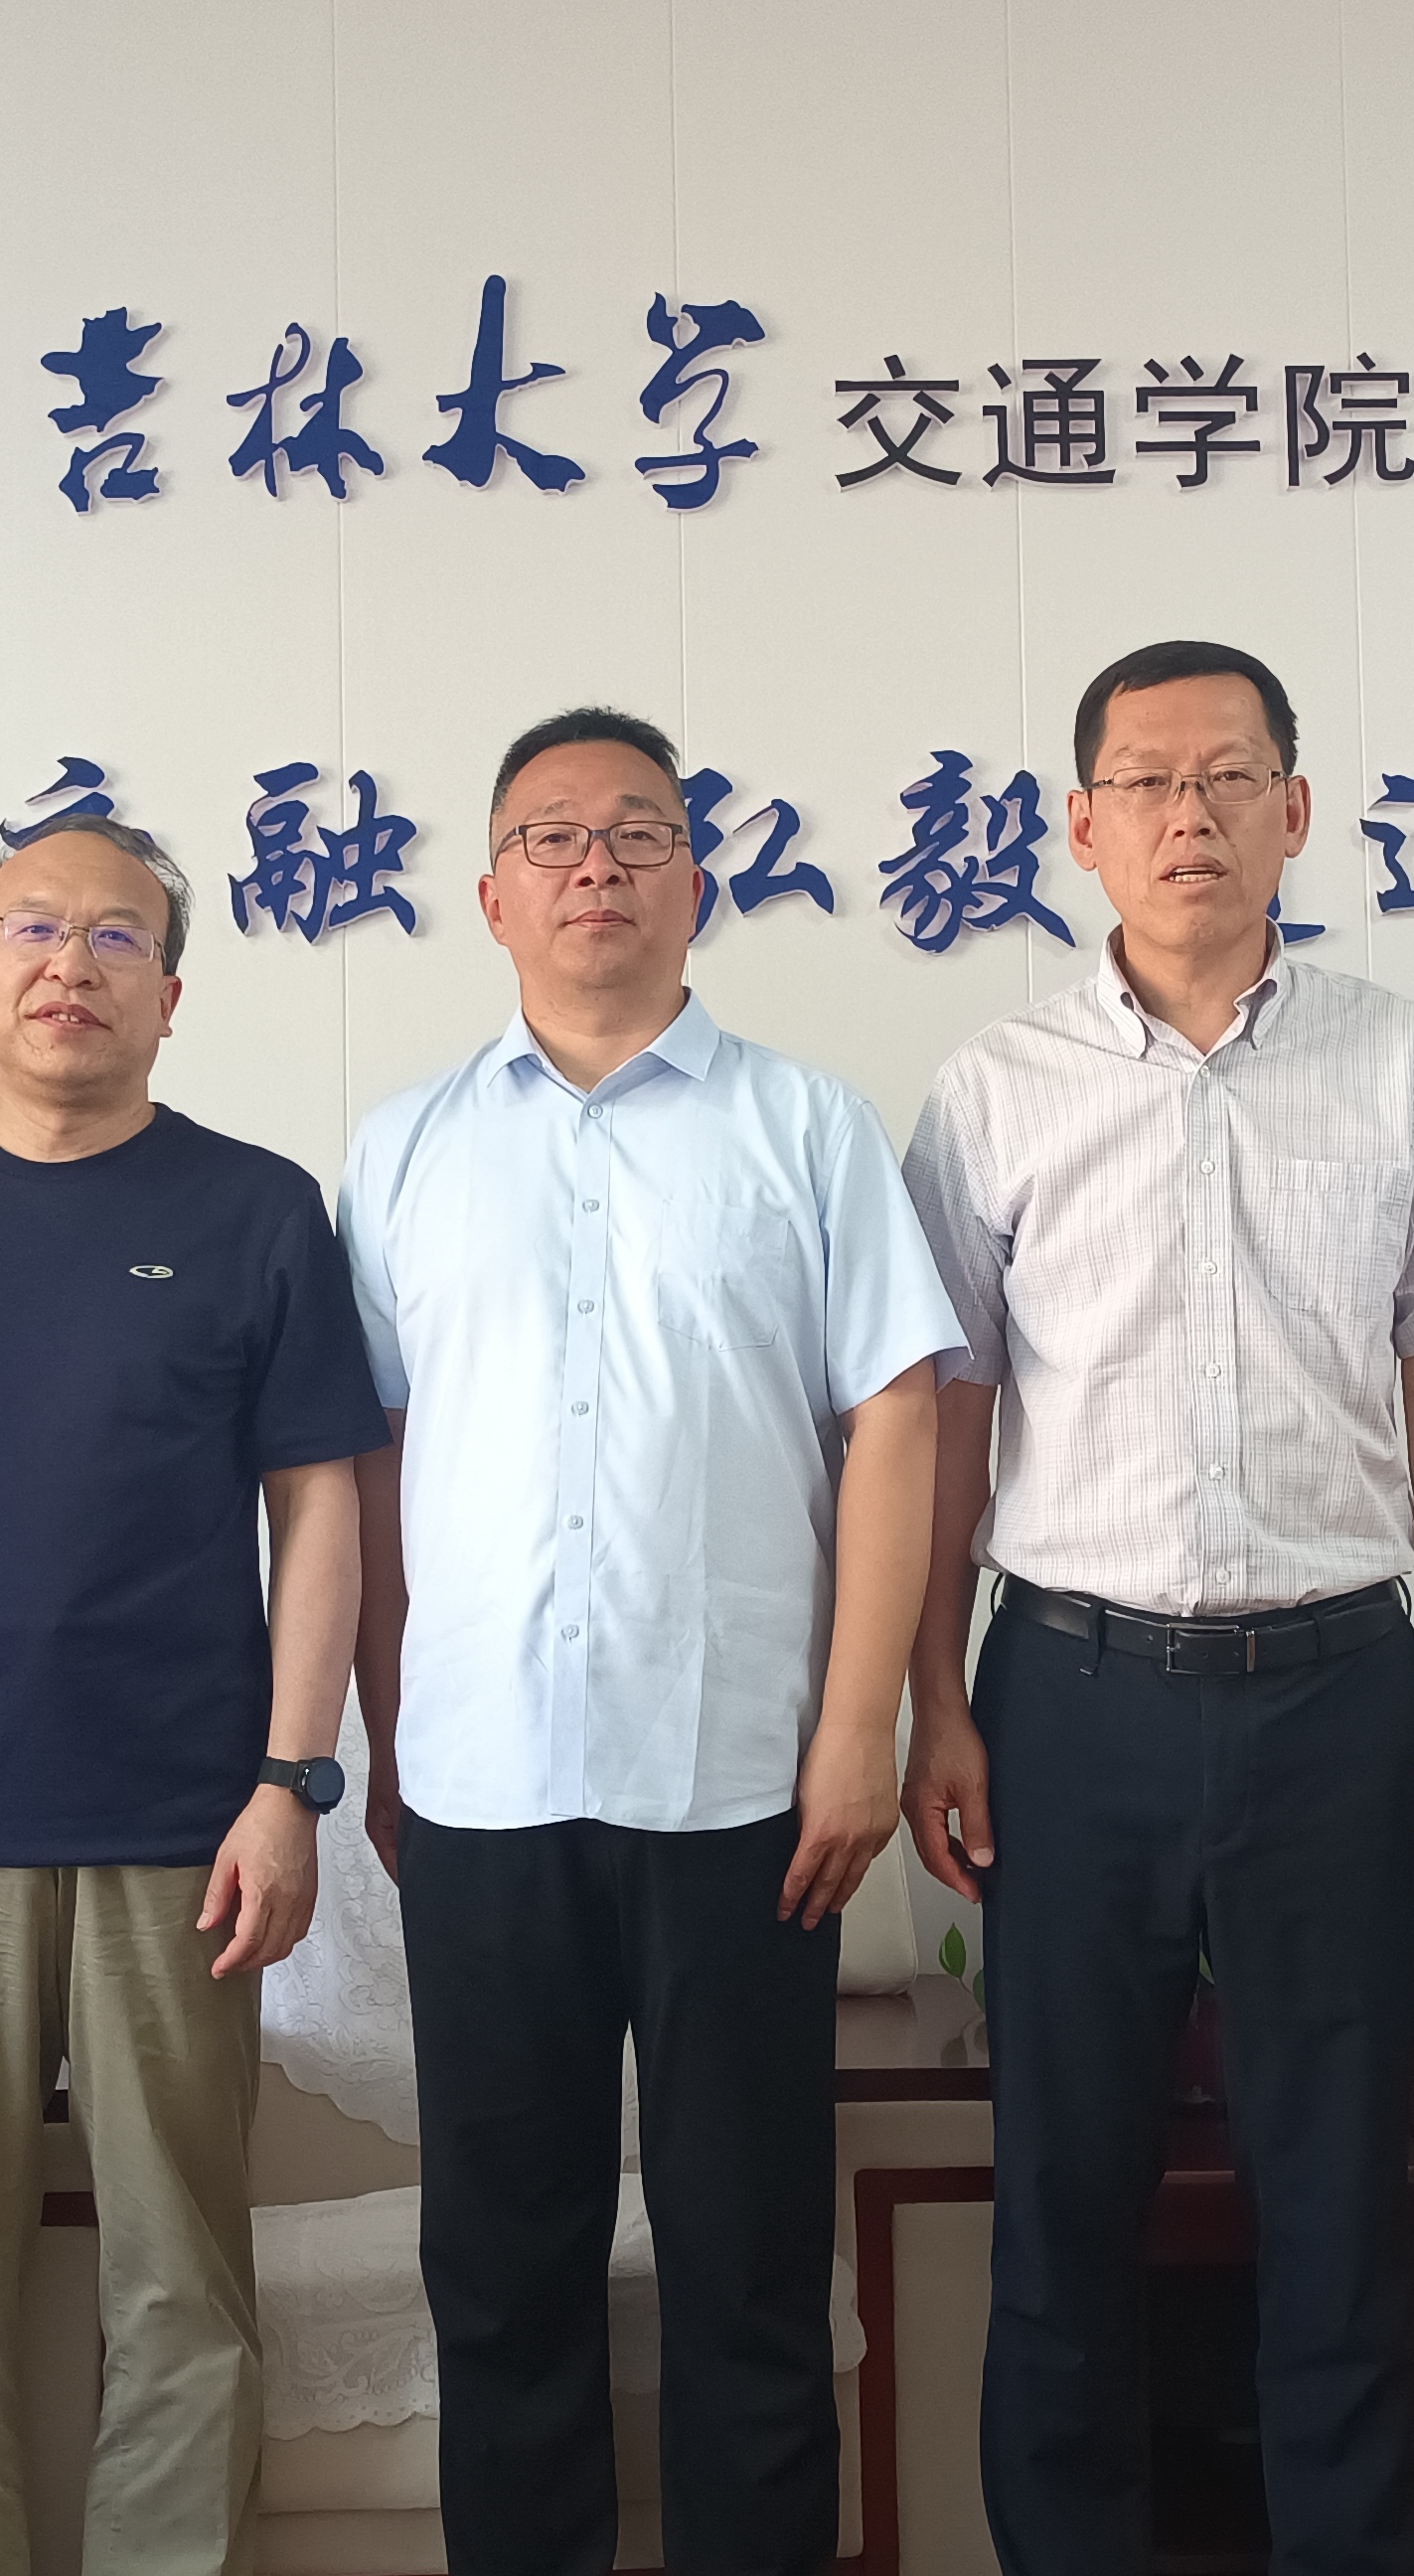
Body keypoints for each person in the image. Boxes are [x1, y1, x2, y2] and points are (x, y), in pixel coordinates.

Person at [897, 640, 1414, 2576]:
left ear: (1295, 809)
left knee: (1337, 2205)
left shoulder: (1401, 1062)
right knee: (1062, 2204)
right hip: (1070, 1696)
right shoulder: (995, 1089)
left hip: (1335, 1694)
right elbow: (945, 1419)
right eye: (1147, 782)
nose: (1189, 816)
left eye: (1229, 776)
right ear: (1081, 825)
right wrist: (939, 1696)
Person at [339, 707, 959, 2576]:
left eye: (637, 831)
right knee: (503, 2270)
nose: (595, 864)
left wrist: (861, 1727)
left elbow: (899, 1424)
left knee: (749, 2263)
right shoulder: (403, 1149)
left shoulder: (806, 1127)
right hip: (482, 1781)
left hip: (744, 1783)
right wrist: (387, 1726)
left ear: (699, 880)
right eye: (552, 836)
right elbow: (364, 1467)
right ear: (492, 895)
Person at [0, 812, 380, 2576]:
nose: (72, 966)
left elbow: (320, 1505)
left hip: (180, 1831)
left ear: (171, 996)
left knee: (181, 2282)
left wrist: (291, 1781)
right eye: (35, 930)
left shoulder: (255, 1209)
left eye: (119, 937)